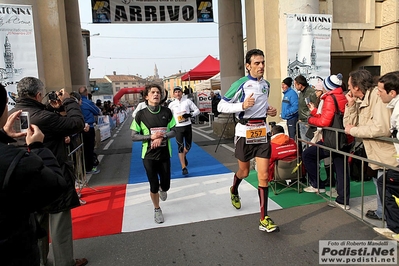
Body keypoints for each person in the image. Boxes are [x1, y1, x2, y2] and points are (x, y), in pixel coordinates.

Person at [11, 77, 87, 266]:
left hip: (25, 179)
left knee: (37, 226)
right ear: (38, 95)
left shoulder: (12, 115)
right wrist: (68, 100)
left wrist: (53, 108)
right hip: (52, 174)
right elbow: (76, 123)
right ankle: (65, 262)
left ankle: (41, 261)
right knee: (60, 225)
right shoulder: (42, 117)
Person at [0, 83, 68, 266]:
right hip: (13, 249)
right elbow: (55, 186)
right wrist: (38, 147)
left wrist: (3, 136)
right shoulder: (16, 160)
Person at [217, 48, 279, 233]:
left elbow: (262, 104)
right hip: (244, 132)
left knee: (264, 176)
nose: (261, 66)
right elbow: (221, 105)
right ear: (248, 66)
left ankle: (263, 218)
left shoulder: (266, 84)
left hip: (262, 133)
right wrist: (241, 105)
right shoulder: (241, 83)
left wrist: (270, 110)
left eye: (263, 62)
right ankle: (234, 189)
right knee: (244, 172)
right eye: (257, 63)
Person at [344, 69, 397, 221]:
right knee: (379, 183)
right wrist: (351, 105)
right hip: (375, 153)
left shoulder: (377, 98)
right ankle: (383, 213)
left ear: (356, 87)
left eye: (349, 85)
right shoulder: (360, 100)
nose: (347, 88)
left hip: (386, 154)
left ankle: (389, 219)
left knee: (386, 187)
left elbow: (382, 128)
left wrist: (354, 130)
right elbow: (348, 125)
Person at [302, 73, 354, 210]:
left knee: (308, 155)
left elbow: (324, 121)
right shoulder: (341, 95)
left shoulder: (330, 98)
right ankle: (342, 198)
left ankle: (319, 185)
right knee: (342, 168)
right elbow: (329, 115)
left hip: (332, 138)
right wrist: (314, 112)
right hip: (343, 137)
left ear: (327, 87)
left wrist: (310, 120)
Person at [130, 84, 176, 224]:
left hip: (164, 154)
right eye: (153, 92)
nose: (156, 94)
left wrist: (162, 137)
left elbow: (174, 131)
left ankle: (164, 188)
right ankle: (157, 209)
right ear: (146, 96)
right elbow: (133, 136)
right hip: (148, 156)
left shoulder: (167, 112)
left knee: (166, 185)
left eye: (158, 92)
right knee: (153, 185)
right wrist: (151, 137)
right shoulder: (141, 114)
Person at [373, 71, 399, 241]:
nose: (378, 93)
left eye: (381, 91)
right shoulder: (394, 106)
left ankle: (395, 228)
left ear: (392, 93)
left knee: (384, 184)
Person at [168, 86, 200, 175]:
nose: (177, 93)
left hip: (187, 126)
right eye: (176, 92)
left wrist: (190, 114)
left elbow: (197, 111)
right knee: (180, 147)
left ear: (182, 93)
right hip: (178, 128)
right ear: (173, 94)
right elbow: (168, 116)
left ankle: (183, 156)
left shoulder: (187, 101)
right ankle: (183, 167)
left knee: (188, 146)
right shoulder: (171, 104)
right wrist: (170, 126)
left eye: (179, 92)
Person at [79, 86, 102, 175]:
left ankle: (85, 167)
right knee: (89, 148)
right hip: (89, 127)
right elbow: (97, 111)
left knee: (84, 149)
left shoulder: (76, 104)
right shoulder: (87, 102)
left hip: (80, 128)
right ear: (86, 93)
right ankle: (89, 167)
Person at [294, 74, 317, 145]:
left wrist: (310, 120)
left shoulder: (311, 93)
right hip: (302, 121)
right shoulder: (301, 93)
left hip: (308, 123)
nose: (294, 86)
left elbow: (314, 107)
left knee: (310, 143)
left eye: (295, 84)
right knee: (304, 143)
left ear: (300, 84)